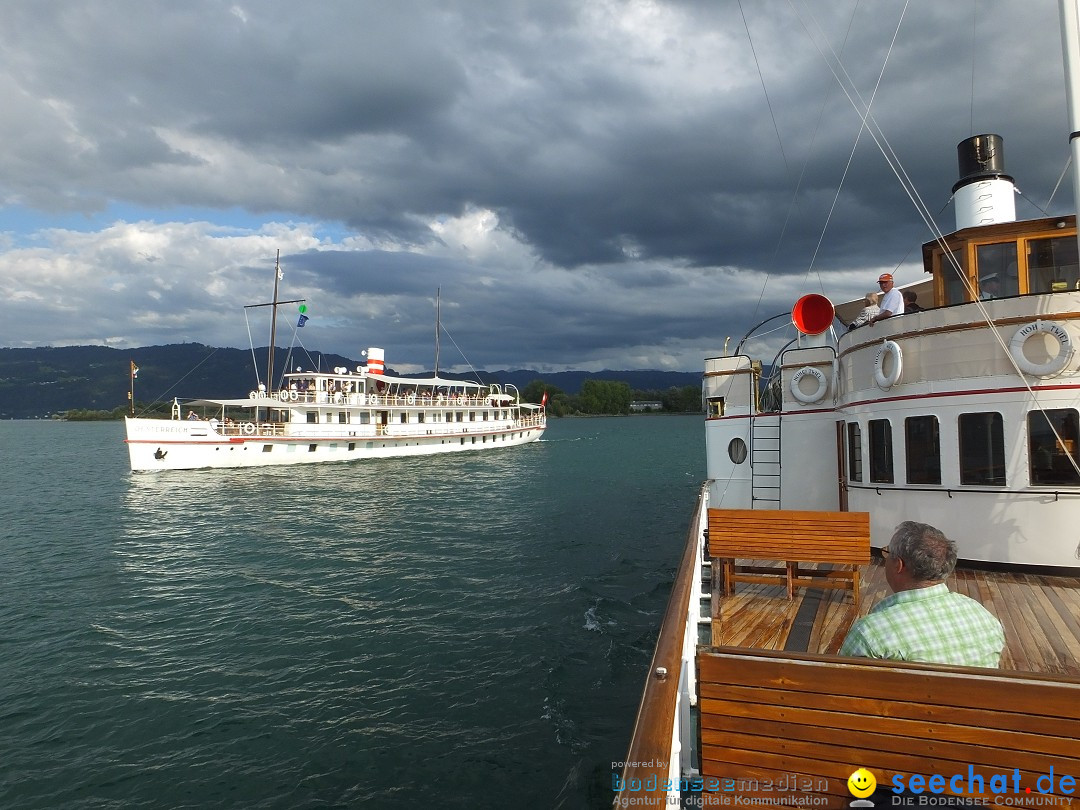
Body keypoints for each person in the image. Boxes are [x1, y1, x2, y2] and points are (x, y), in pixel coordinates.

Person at [840, 521, 1005, 667]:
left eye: (888, 553)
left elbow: (841, 688)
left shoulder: (870, 633)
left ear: (898, 565)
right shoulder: (985, 618)